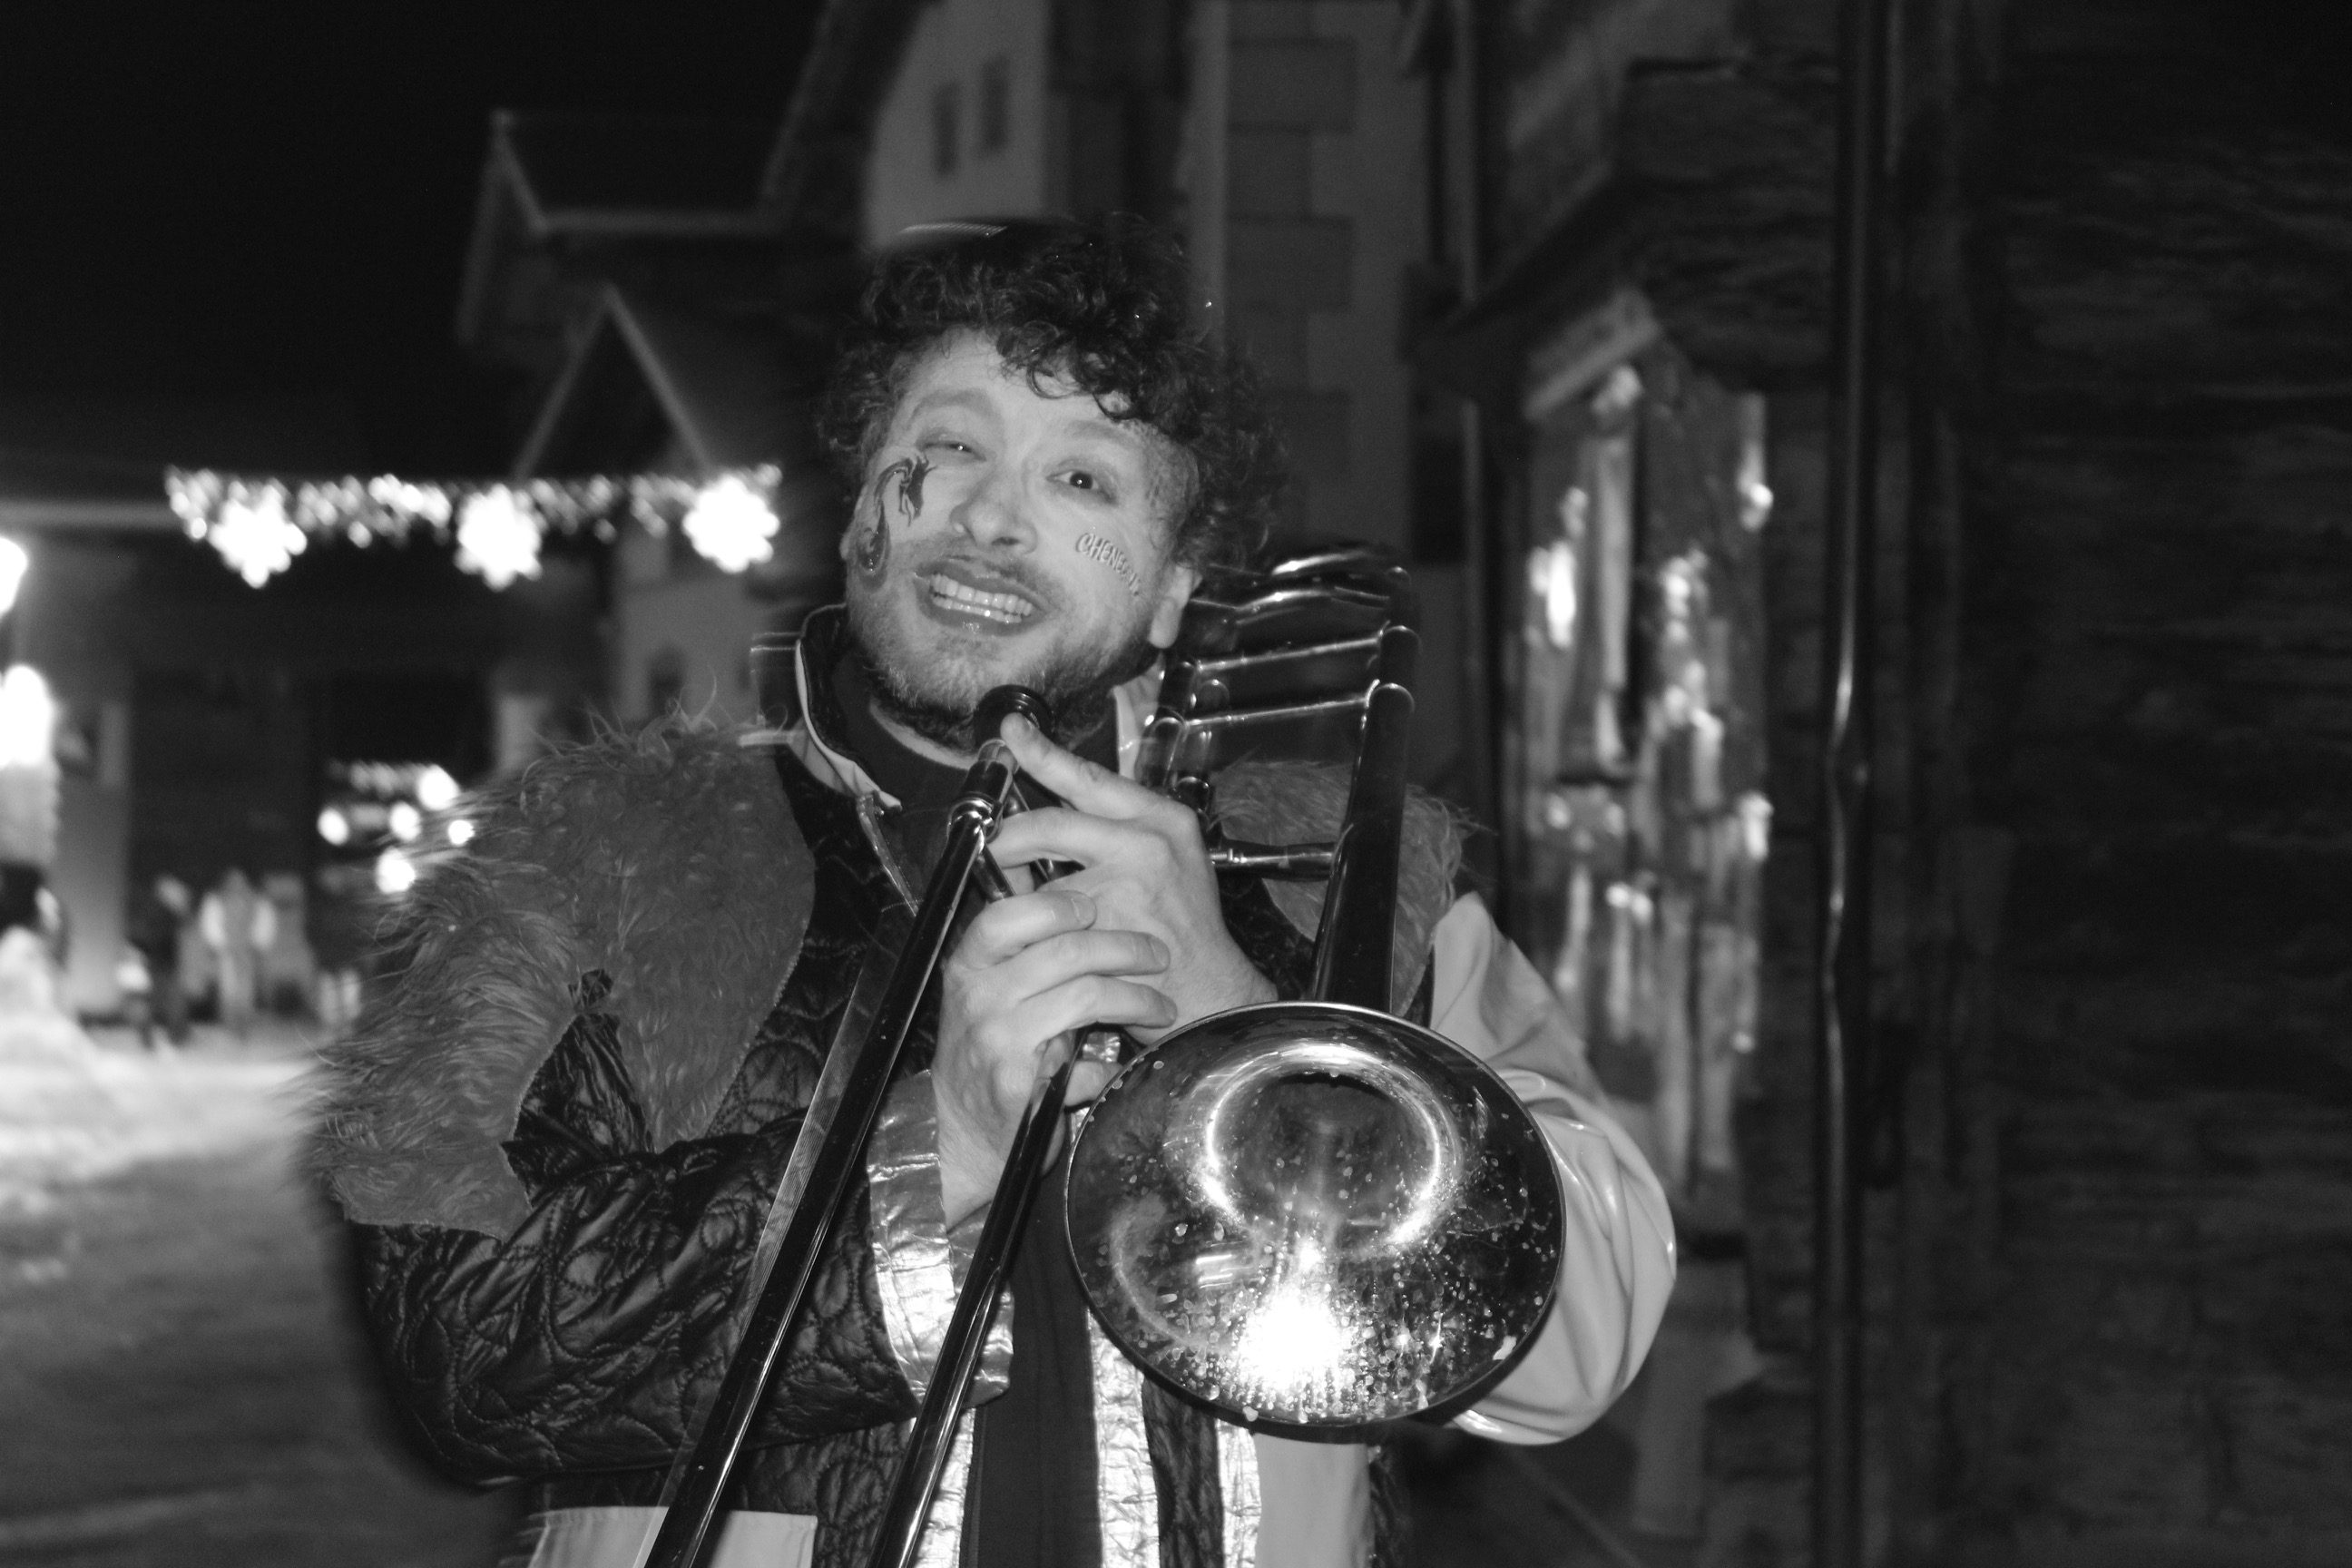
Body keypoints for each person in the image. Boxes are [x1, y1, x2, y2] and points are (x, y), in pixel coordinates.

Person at [315, 218, 1673, 1568]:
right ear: (864, 508)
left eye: (1082, 479)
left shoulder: (1358, 879)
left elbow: (1579, 1348)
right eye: (951, 447)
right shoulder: (588, 853)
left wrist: (1245, 1029)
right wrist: (941, 1146)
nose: (988, 518)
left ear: (1173, 592)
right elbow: (459, 1355)